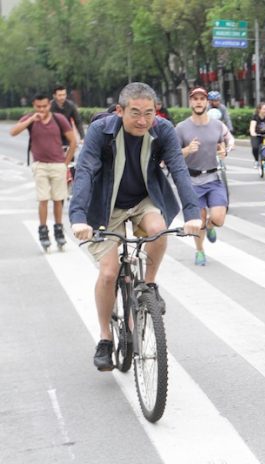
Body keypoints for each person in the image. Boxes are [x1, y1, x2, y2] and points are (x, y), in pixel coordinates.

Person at [69, 82, 201, 371]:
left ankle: (150, 284)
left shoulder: (162, 130)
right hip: (106, 205)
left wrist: (193, 214)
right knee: (108, 272)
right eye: (135, 113)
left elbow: (178, 169)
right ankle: (105, 338)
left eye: (149, 113)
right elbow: (85, 171)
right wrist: (78, 217)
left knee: (159, 229)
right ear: (119, 111)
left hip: (144, 199)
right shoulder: (100, 132)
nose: (143, 121)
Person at [11, 93, 78, 249]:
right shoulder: (30, 119)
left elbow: (73, 141)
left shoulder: (58, 119)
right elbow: (13, 132)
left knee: (58, 199)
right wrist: (30, 120)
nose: (41, 109)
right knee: (43, 199)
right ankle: (43, 230)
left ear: (49, 105)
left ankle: (59, 229)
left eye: (44, 106)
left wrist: (65, 163)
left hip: (57, 165)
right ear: (34, 105)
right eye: (38, 106)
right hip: (40, 165)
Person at [176, 87, 230, 266]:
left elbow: (223, 144)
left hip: (213, 178)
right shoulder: (181, 128)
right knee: (197, 222)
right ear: (190, 102)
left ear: (207, 102)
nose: (199, 102)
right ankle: (200, 250)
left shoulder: (217, 125)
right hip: (192, 181)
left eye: (202, 99)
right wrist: (186, 150)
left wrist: (223, 151)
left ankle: (211, 225)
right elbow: (172, 155)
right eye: (195, 99)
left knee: (219, 218)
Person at [249, 102, 265, 169]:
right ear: (259, 110)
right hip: (257, 135)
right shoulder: (255, 117)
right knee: (255, 147)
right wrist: (253, 133)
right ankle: (256, 160)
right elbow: (252, 127)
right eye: (264, 109)